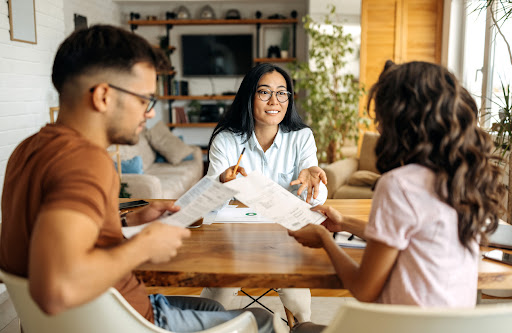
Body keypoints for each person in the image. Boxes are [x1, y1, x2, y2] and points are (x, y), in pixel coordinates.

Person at [0, 25, 273, 333]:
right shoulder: (85, 161)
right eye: (144, 99)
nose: (149, 114)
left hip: (86, 314)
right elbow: (57, 289)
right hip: (116, 321)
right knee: (262, 320)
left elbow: (53, 236)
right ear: (103, 96)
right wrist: (144, 245)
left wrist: (127, 223)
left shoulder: (27, 150)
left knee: (212, 307)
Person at [288, 60, 505, 331]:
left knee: (299, 329)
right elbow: (412, 239)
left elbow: (363, 290)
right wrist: (343, 223)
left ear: (403, 120)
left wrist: (324, 239)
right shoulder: (465, 177)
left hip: (396, 328)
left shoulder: (400, 184)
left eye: (381, 116)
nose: (378, 126)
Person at [201, 63, 328, 323]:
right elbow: (208, 199)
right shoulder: (226, 139)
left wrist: (313, 181)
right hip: (233, 241)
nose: (275, 101)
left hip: (285, 240)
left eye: (282, 93)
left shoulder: (302, 137)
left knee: (299, 303)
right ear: (249, 96)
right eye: (264, 92)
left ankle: (300, 327)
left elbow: (315, 199)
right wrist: (223, 182)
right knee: (215, 299)